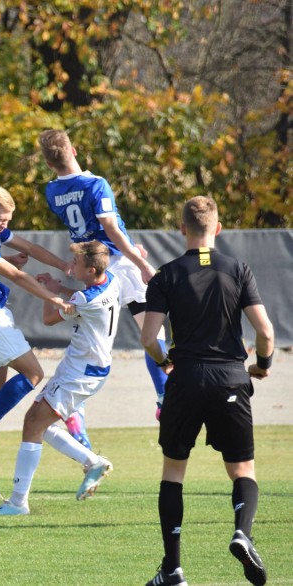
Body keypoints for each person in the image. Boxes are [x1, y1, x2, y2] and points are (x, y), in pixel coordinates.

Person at [141, 196, 273, 586]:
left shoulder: (165, 275)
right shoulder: (238, 269)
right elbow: (265, 332)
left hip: (186, 379)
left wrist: (166, 362)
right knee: (241, 469)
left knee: (173, 473)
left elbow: (149, 337)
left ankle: (173, 570)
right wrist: (262, 366)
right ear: (218, 228)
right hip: (232, 378)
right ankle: (241, 533)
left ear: (181, 228)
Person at [38, 129, 169, 433]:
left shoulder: (51, 191)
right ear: (73, 149)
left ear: (48, 163)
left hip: (92, 269)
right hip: (118, 263)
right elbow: (109, 227)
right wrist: (141, 262)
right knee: (151, 332)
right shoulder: (95, 184)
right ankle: (164, 397)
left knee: (93, 345)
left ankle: (73, 409)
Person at [0, 241, 119, 516]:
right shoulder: (110, 281)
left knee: (33, 423)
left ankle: (19, 503)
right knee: (36, 423)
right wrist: (59, 290)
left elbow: (48, 318)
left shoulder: (85, 299)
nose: (71, 268)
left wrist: (45, 291)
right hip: (85, 368)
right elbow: (78, 299)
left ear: (91, 269)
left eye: (77, 264)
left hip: (80, 372)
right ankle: (91, 462)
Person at [0, 186, 73, 492]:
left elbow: (31, 248)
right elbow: (16, 276)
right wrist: (53, 297)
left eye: (8, 219)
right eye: (1, 219)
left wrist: (62, 265)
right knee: (34, 373)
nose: (5, 225)